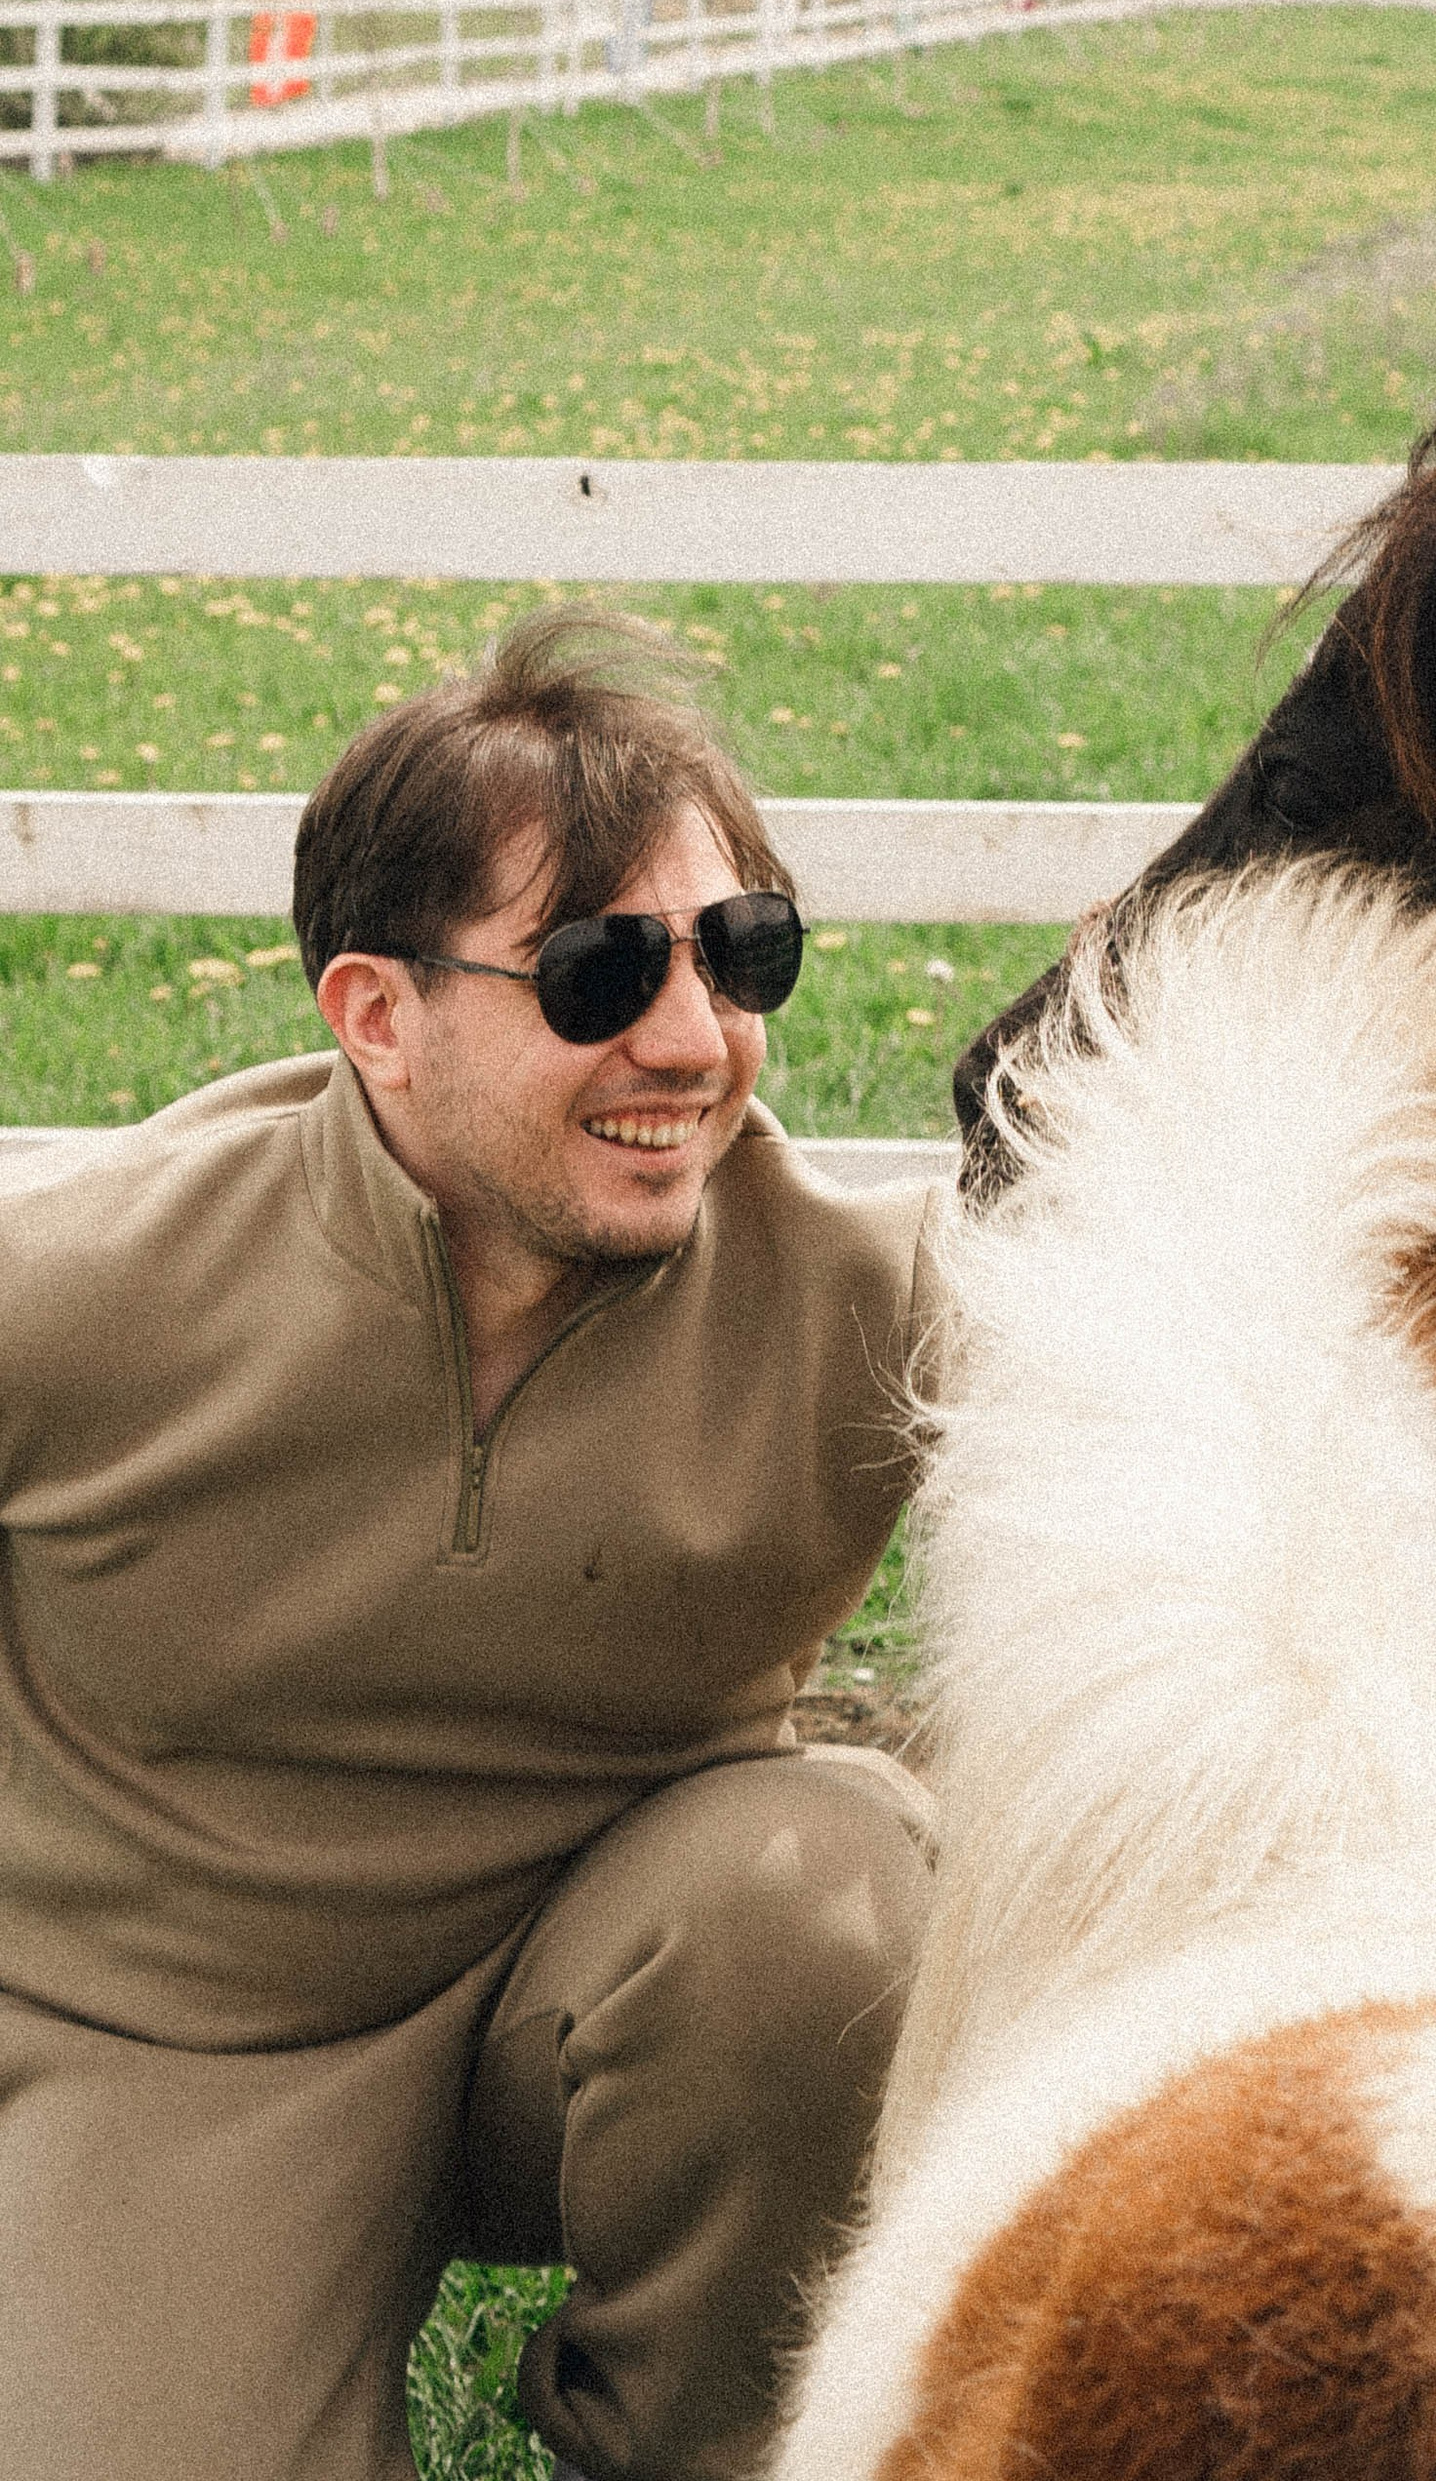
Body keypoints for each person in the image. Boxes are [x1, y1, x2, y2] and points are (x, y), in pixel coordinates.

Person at [0, 616, 947, 2481]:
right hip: (165, 2038)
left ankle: (719, 2447)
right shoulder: (90, 1293)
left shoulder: (861, 1305)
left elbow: (1265, 1410)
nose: (693, 1040)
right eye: (598, 975)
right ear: (378, 1018)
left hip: (597, 1998)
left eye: (741, 952)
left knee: (831, 1895)